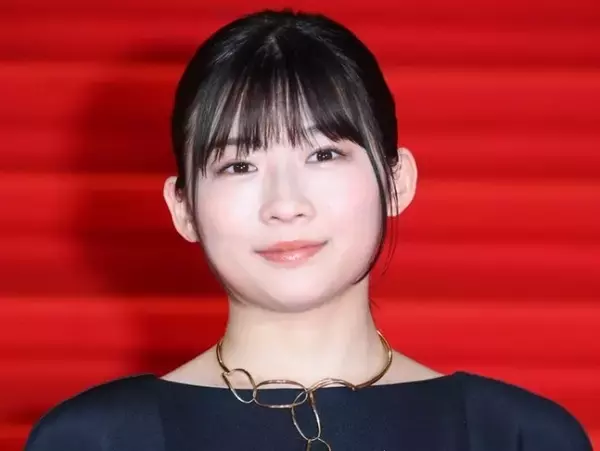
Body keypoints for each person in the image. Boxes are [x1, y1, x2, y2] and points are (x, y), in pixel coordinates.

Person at [25, 9, 592, 451]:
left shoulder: (520, 437)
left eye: (323, 155)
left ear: (397, 181)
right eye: (239, 165)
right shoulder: (93, 440)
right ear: (183, 209)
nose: (285, 204)